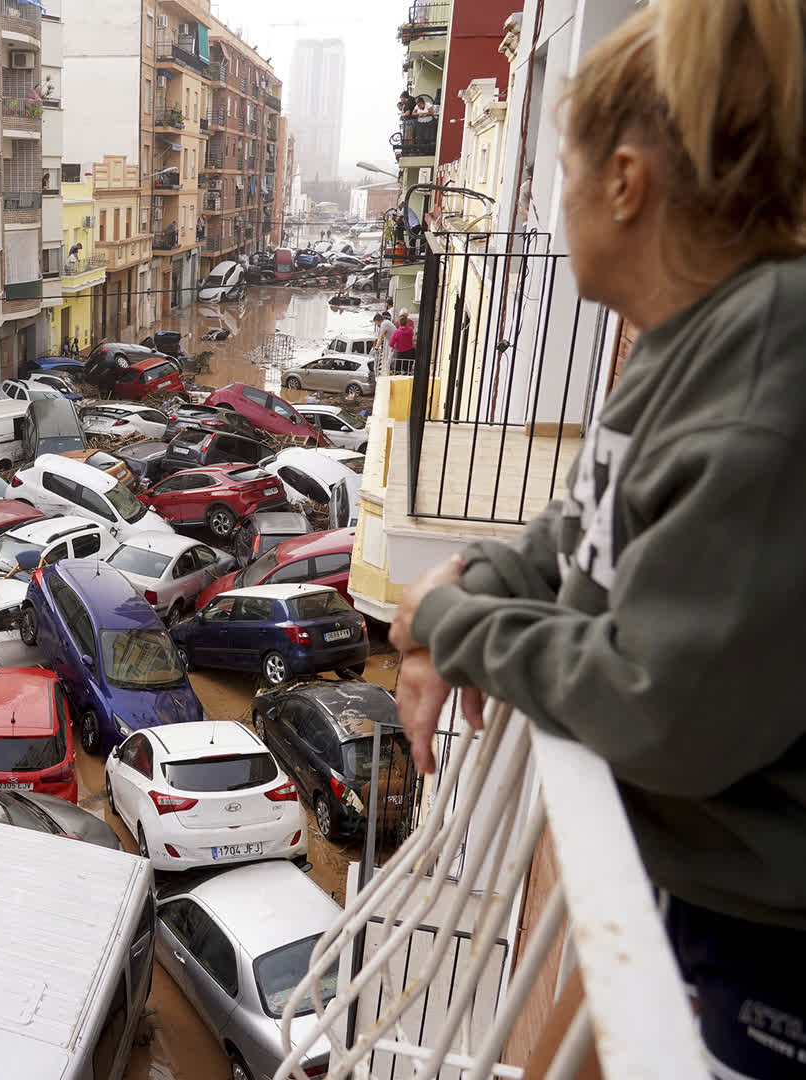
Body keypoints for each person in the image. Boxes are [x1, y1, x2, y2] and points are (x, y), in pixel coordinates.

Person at [390, 2, 806, 1078]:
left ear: (623, 183)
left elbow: (658, 706)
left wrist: (451, 619)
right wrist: (472, 583)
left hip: (770, 957)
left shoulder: (770, 359)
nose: (549, 198)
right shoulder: (687, 344)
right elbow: (577, 531)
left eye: (559, 169)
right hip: (703, 897)